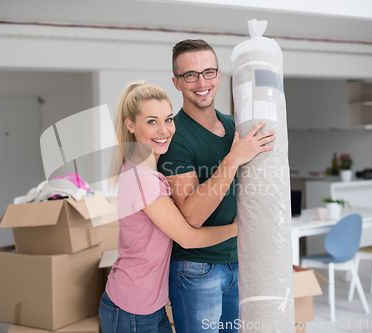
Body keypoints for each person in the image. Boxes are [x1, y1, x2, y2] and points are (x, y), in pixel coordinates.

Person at [99, 81, 238, 333]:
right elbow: (188, 238)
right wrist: (237, 228)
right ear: (130, 125)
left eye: (169, 119)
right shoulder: (142, 179)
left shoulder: (147, 171)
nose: (164, 130)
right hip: (132, 309)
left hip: (149, 306)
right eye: (152, 121)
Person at [157, 39, 277, 332]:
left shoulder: (237, 126)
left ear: (219, 75)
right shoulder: (175, 136)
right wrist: (233, 159)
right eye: (190, 75)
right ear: (176, 82)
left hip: (239, 260)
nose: (202, 82)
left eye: (208, 72)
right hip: (197, 270)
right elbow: (192, 216)